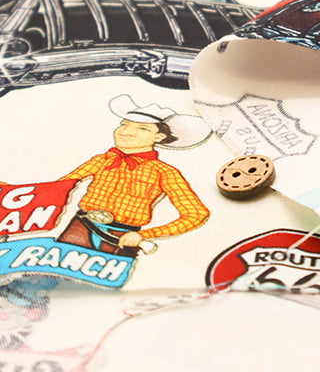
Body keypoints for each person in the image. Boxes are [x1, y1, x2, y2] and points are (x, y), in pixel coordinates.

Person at [57, 95, 211, 257]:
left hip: (124, 237)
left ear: (159, 137)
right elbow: (60, 187)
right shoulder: (103, 160)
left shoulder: (164, 172)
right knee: (56, 266)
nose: (126, 132)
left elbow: (196, 214)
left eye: (143, 129)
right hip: (80, 226)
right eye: (124, 124)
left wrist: (145, 234)